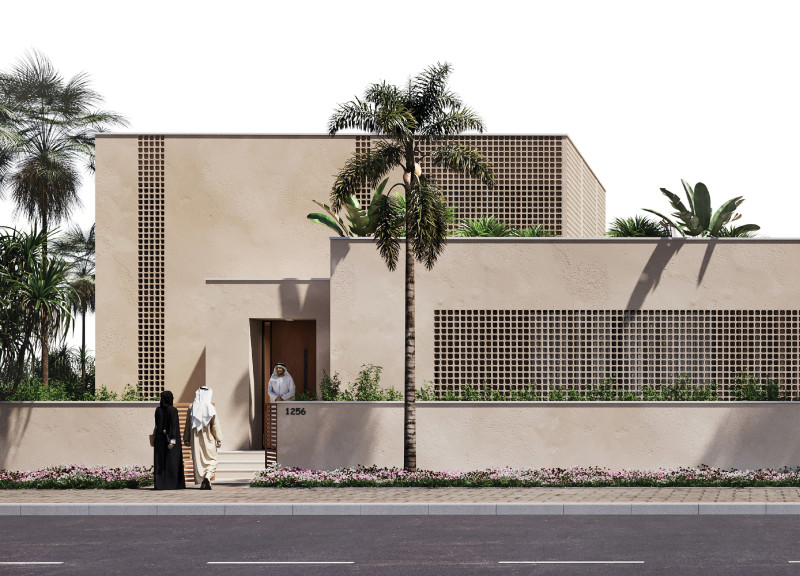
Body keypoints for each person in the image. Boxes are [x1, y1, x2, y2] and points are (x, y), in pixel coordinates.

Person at [183, 386, 223, 490]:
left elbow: (187, 424)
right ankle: (207, 477)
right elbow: (215, 425)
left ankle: (204, 481)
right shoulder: (211, 408)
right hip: (209, 439)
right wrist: (218, 439)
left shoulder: (191, 407)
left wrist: (186, 438)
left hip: (195, 440)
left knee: (199, 462)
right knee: (213, 459)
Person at [153, 390, 185, 490]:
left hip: (159, 440)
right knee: (172, 462)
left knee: (161, 462)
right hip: (172, 440)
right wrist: (173, 440)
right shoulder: (173, 410)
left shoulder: (158, 410)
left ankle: (161, 484)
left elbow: (157, 426)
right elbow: (173, 426)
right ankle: (173, 484)